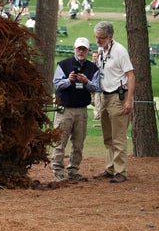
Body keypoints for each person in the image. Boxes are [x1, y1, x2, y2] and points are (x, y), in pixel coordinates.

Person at [51, 37, 100, 182]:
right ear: (74, 49)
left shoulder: (92, 68)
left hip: (82, 110)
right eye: (79, 48)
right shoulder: (64, 64)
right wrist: (69, 80)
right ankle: (57, 171)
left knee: (78, 143)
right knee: (60, 142)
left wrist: (86, 82)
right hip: (64, 109)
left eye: (84, 49)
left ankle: (73, 170)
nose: (81, 51)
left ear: (88, 51)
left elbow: (96, 87)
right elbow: (57, 84)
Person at [92, 21, 135, 184]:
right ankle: (110, 168)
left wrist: (128, 100)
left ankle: (120, 171)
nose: (98, 40)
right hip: (104, 96)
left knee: (118, 136)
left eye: (101, 37)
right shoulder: (101, 50)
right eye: (96, 37)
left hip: (118, 96)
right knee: (107, 136)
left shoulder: (120, 51)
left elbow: (131, 75)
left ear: (110, 37)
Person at [91, 50, 102, 121]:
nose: (94, 57)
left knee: (97, 102)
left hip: (99, 87)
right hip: (91, 87)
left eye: (96, 56)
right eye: (93, 56)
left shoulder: (101, 65)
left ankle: (97, 116)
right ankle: (100, 112)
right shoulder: (90, 65)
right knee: (92, 101)